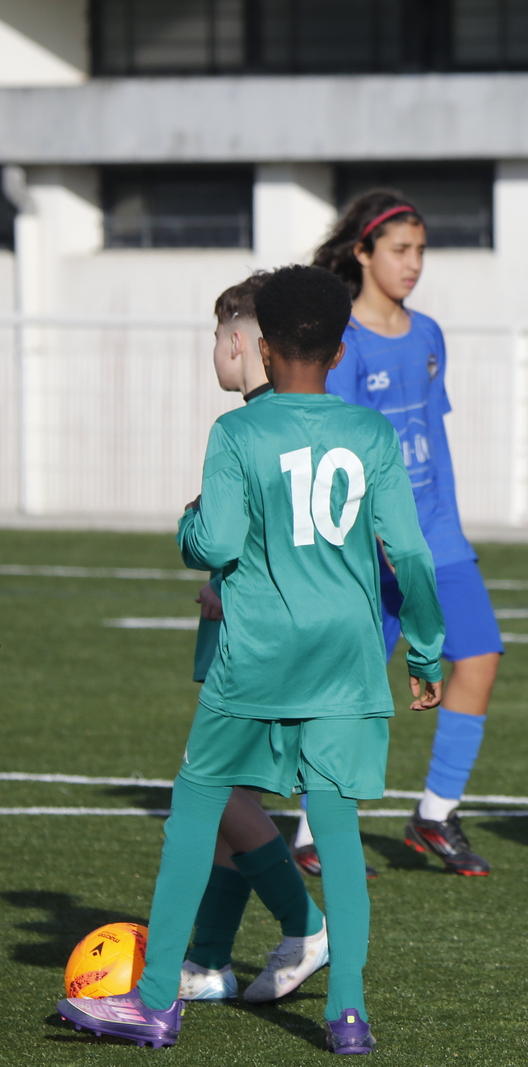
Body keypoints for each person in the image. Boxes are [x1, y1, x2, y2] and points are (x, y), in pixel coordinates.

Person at [57, 265, 445, 1053]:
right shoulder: (370, 434)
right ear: (340, 353)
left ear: (263, 350)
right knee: (336, 830)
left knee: (196, 809)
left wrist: (187, 528)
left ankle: (157, 1000)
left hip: (259, 656)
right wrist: (429, 650)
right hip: (345, 656)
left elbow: (217, 540)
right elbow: (408, 549)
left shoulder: (236, 433)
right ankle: (347, 1014)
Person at [291, 189, 500, 878]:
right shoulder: (344, 342)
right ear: (362, 252)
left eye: (421, 251)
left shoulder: (429, 334)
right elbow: (340, 451)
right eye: (399, 250)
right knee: (356, 688)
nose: (413, 263)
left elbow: (431, 435)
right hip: (367, 541)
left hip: (436, 534)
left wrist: (448, 526)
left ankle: (434, 814)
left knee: (479, 658)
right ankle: (311, 832)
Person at [177, 272, 332, 1006]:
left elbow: (235, 536)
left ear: (242, 341)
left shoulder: (251, 429)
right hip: (272, 636)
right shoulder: (296, 420)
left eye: (216, 337)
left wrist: (198, 534)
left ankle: (306, 926)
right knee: (228, 800)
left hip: (259, 643)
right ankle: (208, 960)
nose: (214, 350)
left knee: (212, 788)